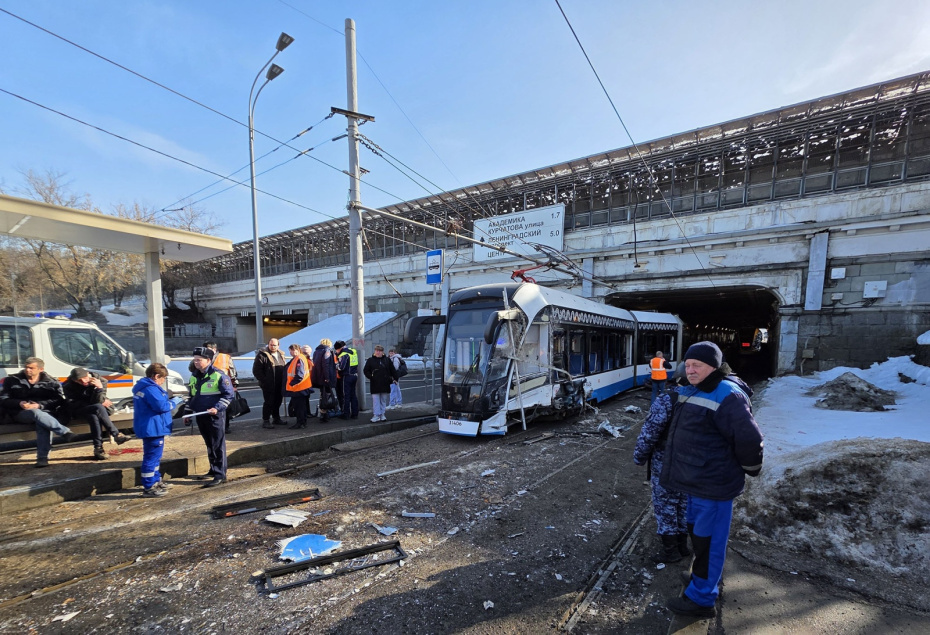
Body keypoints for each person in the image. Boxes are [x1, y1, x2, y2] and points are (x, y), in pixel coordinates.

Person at [660, 342, 764, 619]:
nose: (691, 370)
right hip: (697, 482)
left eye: (698, 366)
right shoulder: (696, 388)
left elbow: (749, 438)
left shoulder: (727, 394)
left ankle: (702, 599)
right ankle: (700, 582)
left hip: (713, 485)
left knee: (710, 542)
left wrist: (751, 467)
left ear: (714, 367)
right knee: (699, 537)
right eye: (688, 364)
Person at [633, 364, 689, 563]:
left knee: (666, 506)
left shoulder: (667, 400)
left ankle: (670, 551)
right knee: (684, 504)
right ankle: (683, 546)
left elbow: (649, 434)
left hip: (666, 464)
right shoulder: (703, 400)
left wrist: (639, 457)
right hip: (691, 465)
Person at [0, 357, 74, 468]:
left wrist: (39, 405)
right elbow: (3, 399)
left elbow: (58, 400)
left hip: (45, 413)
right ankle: (64, 432)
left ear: (40, 369)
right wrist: (19, 403)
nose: (27, 370)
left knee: (42, 423)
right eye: (26, 367)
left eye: (31, 368)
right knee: (35, 413)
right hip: (19, 413)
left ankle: (42, 458)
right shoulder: (12, 380)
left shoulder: (51, 381)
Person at [188, 346, 235, 488]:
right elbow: (192, 396)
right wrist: (188, 412)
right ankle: (213, 468)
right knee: (209, 443)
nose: (196, 362)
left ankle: (220, 474)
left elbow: (228, 395)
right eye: (195, 360)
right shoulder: (194, 376)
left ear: (208, 360)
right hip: (200, 415)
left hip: (214, 416)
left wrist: (217, 408)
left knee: (217, 444)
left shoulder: (218, 375)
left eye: (199, 360)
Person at [62, 367, 129, 460]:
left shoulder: (101, 381)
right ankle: (116, 434)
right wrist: (97, 401)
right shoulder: (68, 385)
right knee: (98, 407)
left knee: (94, 416)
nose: (83, 382)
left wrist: (99, 388)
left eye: (84, 378)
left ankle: (98, 448)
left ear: (88, 375)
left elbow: (99, 399)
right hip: (79, 410)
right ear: (74, 380)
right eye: (79, 381)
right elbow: (74, 403)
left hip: (94, 411)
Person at [132, 363, 176, 498]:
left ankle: (156, 480)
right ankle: (149, 486)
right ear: (157, 376)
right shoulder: (151, 389)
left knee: (155, 457)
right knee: (152, 457)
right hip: (153, 428)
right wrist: (175, 402)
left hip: (149, 426)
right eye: (163, 378)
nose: (163, 381)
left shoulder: (143, 387)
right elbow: (161, 406)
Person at [191, 340, 238, 433]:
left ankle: (226, 426)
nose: (208, 351)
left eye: (209, 349)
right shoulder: (200, 360)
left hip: (222, 383)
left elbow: (232, 370)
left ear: (214, 349)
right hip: (207, 384)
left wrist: (235, 384)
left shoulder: (224, 357)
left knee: (224, 408)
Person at [253, 338, 287, 429]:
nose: (272, 347)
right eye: (271, 345)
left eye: (274, 345)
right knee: (269, 402)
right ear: (268, 344)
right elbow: (256, 371)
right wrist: (265, 381)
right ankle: (266, 420)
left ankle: (276, 418)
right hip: (268, 384)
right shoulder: (262, 355)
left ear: (278, 345)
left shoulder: (281, 354)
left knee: (278, 401)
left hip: (279, 383)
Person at [363, 345, 397, 422]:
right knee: (376, 400)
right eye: (377, 351)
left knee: (383, 400)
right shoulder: (370, 360)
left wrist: (395, 378)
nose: (378, 352)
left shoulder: (387, 360)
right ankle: (376, 414)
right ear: (375, 351)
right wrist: (371, 376)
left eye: (380, 351)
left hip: (385, 382)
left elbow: (393, 370)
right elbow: (366, 370)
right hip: (375, 382)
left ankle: (382, 414)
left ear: (382, 352)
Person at [285, 343, 313, 429]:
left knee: (299, 407)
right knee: (302, 407)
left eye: (293, 350)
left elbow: (300, 374)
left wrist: (292, 383)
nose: (291, 352)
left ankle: (300, 423)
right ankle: (303, 422)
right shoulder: (300, 357)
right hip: (302, 387)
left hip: (298, 387)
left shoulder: (299, 359)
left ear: (298, 350)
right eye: (290, 351)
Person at [310, 338, 338, 422]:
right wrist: (327, 377)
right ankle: (324, 414)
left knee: (323, 395)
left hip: (318, 376)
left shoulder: (316, 352)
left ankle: (322, 412)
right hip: (325, 377)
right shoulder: (327, 351)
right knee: (326, 395)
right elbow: (326, 364)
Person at [334, 340, 359, 420]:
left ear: (339, 348)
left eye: (336, 350)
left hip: (346, 376)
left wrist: (336, 366)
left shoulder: (343, 354)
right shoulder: (353, 351)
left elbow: (341, 367)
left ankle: (346, 414)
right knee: (353, 395)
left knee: (346, 396)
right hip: (354, 375)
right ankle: (355, 413)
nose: (336, 351)